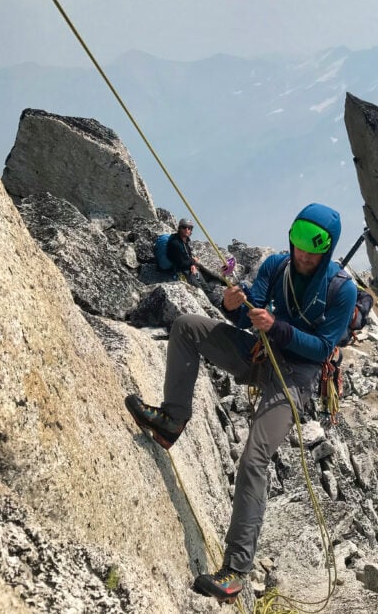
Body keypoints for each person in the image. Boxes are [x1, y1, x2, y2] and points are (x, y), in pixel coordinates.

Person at [125, 203, 357, 603]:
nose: (303, 256)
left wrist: (278, 328)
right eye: (299, 246)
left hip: (295, 380)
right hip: (261, 353)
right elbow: (252, 312)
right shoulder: (276, 267)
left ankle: (236, 570)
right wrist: (232, 306)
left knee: (254, 458)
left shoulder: (341, 290)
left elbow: (322, 350)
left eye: (312, 250)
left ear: (327, 250)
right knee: (186, 328)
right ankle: (171, 421)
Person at [167, 218, 212, 292]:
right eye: (184, 227)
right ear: (180, 228)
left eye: (189, 228)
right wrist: (193, 262)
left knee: (205, 286)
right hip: (182, 272)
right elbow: (181, 262)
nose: (187, 230)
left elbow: (188, 255)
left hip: (190, 268)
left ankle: (212, 298)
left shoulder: (186, 240)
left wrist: (193, 265)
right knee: (199, 290)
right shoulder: (175, 243)